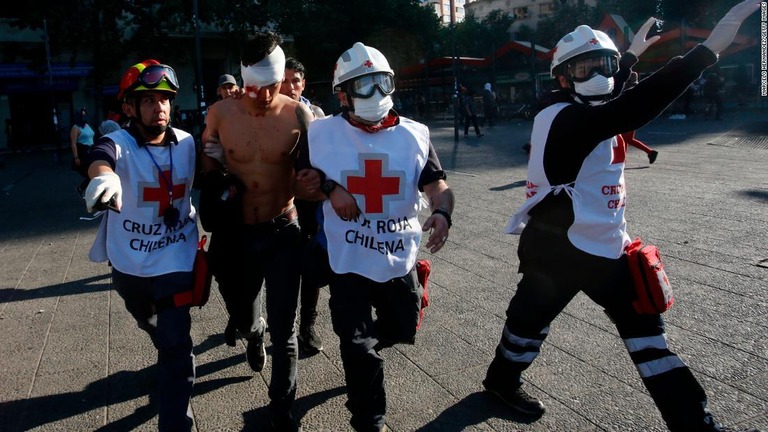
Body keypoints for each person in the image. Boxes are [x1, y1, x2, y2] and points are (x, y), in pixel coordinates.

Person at [483, 3, 763, 432]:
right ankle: (500, 382)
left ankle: (694, 423)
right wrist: (705, 52)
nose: (597, 74)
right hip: (557, 249)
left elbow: (611, 94)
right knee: (527, 324)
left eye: (604, 65)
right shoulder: (565, 117)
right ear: (562, 78)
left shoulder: (579, 103)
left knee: (648, 337)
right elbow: (629, 106)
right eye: (582, 69)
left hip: (604, 244)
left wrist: (627, 58)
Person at [296, 42, 454, 432]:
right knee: (357, 344)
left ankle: (364, 353)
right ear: (342, 95)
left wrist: (442, 211)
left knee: (403, 328)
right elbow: (300, 185)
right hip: (347, 257)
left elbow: (436, 184)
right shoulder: (320, 133)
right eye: (363, 86)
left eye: (381, 83)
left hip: (397, 253)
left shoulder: (415, 134)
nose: (375, 94)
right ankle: (369, 419)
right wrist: (330, 188)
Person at [200, 31, 313, 432]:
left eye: (270, 87)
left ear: (281, 80)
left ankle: (281, 409)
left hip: (283, 228)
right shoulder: (220, 114)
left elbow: (307, 178)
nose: (261, 95)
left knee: (286, 331)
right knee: (245, 318)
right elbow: (209, 177)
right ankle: (253, 331)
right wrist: (214, 170)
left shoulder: (299, 115)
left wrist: (312, 185)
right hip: (237, 235)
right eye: (252, 87)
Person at [83, 59, 199, 431]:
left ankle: (176, 420)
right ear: (130, 107)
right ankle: (164, 344)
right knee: (148, 321)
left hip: (176, 255)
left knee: (176, 339)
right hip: (129, 263)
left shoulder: (187, 143)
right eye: (147, 100)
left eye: (164, 99)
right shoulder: (117, 143)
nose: (158, 107)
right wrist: (104, 180)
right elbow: (99, 159)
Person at [280, 56, 327, 355]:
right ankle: (280, 320)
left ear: (303, 83)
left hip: (311, 203)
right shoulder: (269, 114)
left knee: (310, 267)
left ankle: (307, 323)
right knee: (283, 266)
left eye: (295, 80)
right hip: (280, 201)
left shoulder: (318, 114)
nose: (290, 86)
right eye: (284, 80)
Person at [620, 72, 658, 164]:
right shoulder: (639, 89)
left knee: (623, 138)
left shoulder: (627, 89)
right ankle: (650, 152)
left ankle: (622, 159)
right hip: (634, 117)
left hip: (627, 117)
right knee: (628, 139)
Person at [70, 107, 96, 196]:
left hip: (91, 151)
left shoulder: (87, 125)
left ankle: (82, 189)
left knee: (95, 172)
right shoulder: (75, 127)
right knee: (91, 173)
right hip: (83, 152)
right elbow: (73, 144)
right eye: (82, 115)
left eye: (85, 114)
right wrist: (76, 157)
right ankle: (82, 189)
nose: (84, 116)